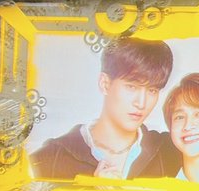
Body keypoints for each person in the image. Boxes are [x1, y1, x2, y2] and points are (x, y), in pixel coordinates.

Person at [29, 37, 180, 180]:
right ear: (105, 84)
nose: (141, 103)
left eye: (152, 90)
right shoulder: (50, 158)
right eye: (131, 87)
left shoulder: (171, 152)